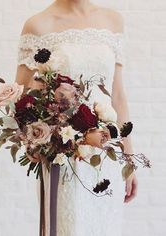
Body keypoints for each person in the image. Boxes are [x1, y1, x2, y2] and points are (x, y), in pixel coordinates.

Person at [15, 1, 138, 235]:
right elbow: (22, 99)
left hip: (106, 155)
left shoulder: (113, 21)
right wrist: (37, 140)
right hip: (65, 155)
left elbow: (118, 96)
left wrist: (129, 160)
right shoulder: (39, 25)